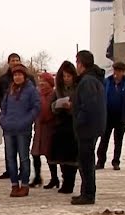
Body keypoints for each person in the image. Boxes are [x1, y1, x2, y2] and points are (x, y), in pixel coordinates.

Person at [71, 50, 106, 206]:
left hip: (87, 128)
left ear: (82, 63)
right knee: (86, 161)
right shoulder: (93, 79)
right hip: (91, 127)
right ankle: (86, 192)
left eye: (77, 62)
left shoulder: (88, 81)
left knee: (86, 162)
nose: (76, 66)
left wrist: (78, 121)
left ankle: (88, 194)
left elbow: (89, 106)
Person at [0, 64, 41, 197]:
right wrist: (3, 121)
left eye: (19, 75)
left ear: (24, 76)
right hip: (9, 129)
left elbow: (36, 108)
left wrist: (26, 121)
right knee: (10, 158)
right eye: (15, 75)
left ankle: (24, 184)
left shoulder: (31, 90)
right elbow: (3, 108)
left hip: (23, 130)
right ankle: (14, 184)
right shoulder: (9, 90)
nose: (17, 77)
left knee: (23, 158)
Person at [0, 53, 36, 180]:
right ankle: (10, 173)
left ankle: (24, 178)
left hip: (23, 123)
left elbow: (35, 103)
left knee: (23, 153)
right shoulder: (4, 80)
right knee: (10, 152)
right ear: (9, 62)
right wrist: (3, 112)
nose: (15, 62)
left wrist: (28, 119)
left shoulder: (30, 82)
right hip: (9, 121)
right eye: (13, 60)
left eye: (17, 60)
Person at [96, 61, 125, 170]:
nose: (117, 73)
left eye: (119, 71)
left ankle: (116, 162)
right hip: (108, 116)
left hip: (121, 117)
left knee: (118, 141)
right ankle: (100, 162)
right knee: (104, 140)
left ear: (123, 72)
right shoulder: (107, 82)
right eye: (115, 70)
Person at [49, 61, 79, 193]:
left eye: (68, 76)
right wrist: (56, 105)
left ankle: (70, 183)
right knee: (61, 156)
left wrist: (72, 107)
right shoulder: (58, 90)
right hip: (61, 125)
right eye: (64, 76)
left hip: (74, 126)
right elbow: (51, 106)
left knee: (72, 157)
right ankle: (64, 181)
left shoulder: (78, 89)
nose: (66, 79)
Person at [31, 72, 56, 187]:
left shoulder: (54, 94)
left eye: (44, 82)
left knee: (49, 153)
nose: (41, 84)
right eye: (40, 81)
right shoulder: (37, 94)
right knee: (35, 153)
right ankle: (37, 176)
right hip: (39, 127)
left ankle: (54, 178)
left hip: (49, 127)